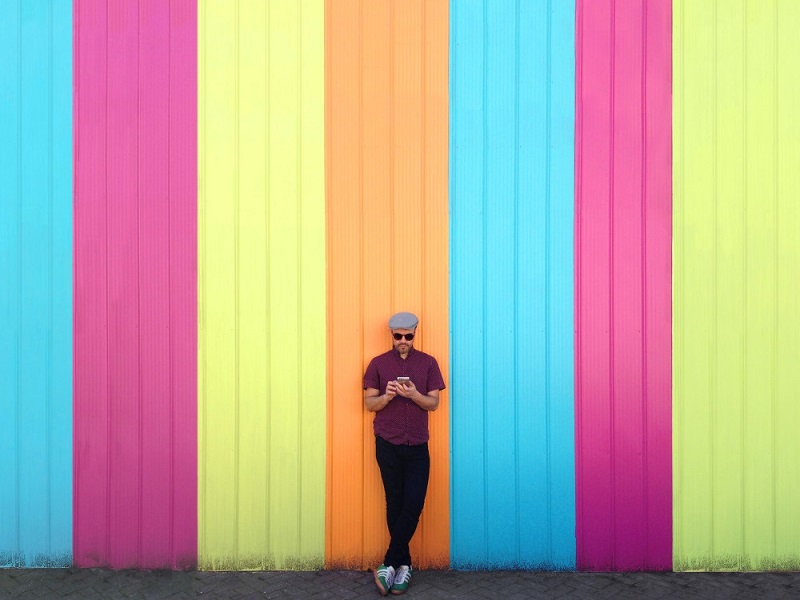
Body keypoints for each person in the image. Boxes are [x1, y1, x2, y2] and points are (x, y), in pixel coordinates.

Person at [363, 311, 446, 596]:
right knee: (394, 503)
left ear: (415, 334)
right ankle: (404, 566)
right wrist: (387, 396)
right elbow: (368, 404)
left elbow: (433, 404)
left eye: (407, 336)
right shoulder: (377, 364)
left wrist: (413, 395)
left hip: (418, 444)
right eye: (397, 336)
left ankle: (389, 563)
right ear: (391, 335)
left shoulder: (428, 363)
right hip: (387, 443)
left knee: (414, 504)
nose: (402, 341)